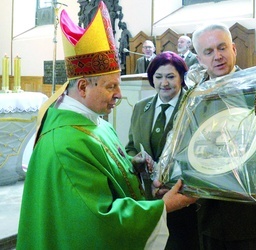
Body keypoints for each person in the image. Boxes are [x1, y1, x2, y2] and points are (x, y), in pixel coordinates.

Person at [16, 2, 196, 249]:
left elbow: (111, 173)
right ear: (82, 87)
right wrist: (165, 206)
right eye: (111, 86)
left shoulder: (96, 123)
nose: (119, 94)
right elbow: (97, 221)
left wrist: (140, 175)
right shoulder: (65, 145)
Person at [191, 23, 256, 250]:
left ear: (234, 49)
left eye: (222, 47)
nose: (217, 56)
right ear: (199, 59)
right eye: (208, 52)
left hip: (255, 217)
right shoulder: (193, 97)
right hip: (211, 216)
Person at [125, 51, 199, 249]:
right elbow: (131, 146)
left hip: (184, 199)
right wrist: (136, 160)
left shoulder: (194, 106)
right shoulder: (141, 107)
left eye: (170, 76)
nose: (164, 83)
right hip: (151, 199)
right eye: (158, 77)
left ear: (182, 78)